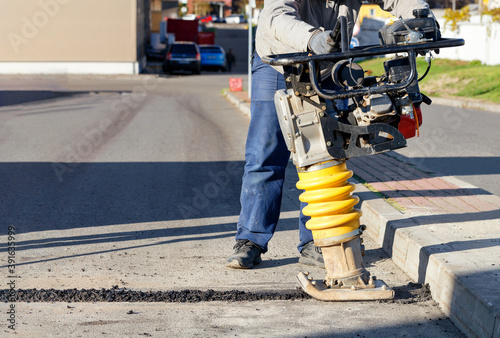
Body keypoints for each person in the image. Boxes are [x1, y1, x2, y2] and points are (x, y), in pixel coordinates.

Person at [226, 0, 432, 269]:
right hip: (278, 61)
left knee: (324, 153)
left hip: (327, 66)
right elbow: (277, 16)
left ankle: (317, 241)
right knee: (265, 154)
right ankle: (250, 241)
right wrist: (312, 38)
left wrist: (421, 17)